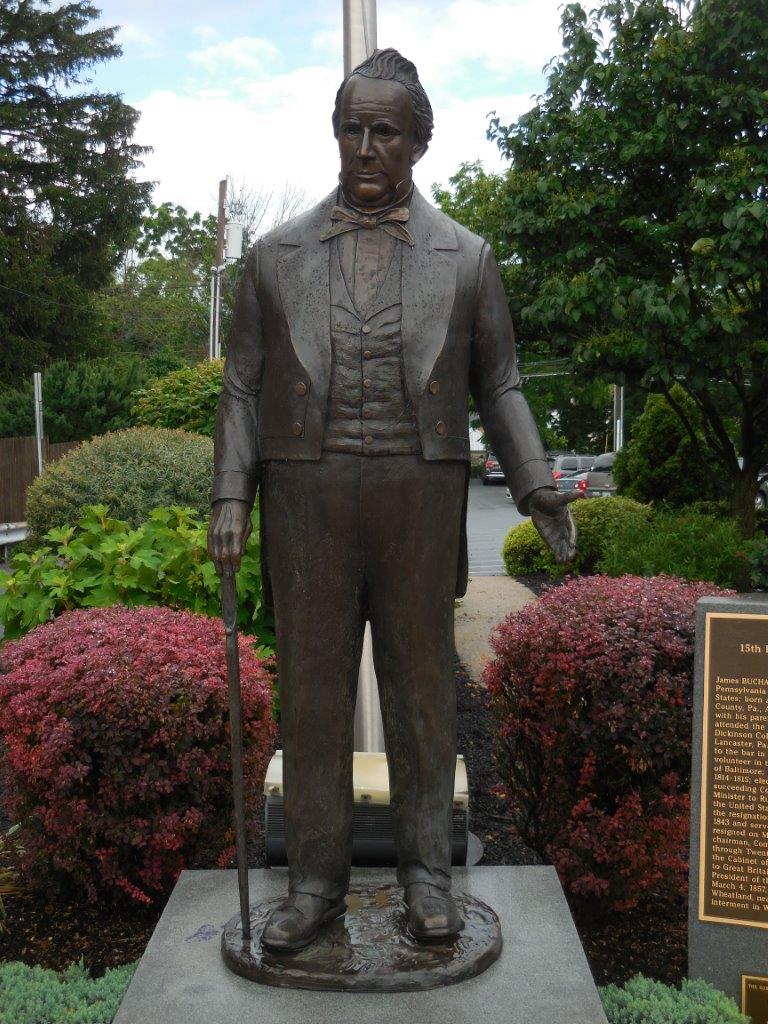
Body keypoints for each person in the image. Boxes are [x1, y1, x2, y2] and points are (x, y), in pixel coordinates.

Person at [208, 48, 578, 953]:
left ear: (417, 141)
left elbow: (503, 383)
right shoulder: (272, 256)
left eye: (384, 130)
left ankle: (426, 878)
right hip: (307, 500)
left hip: (419, 497)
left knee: (420, 696)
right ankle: (314, 887)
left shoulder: (467, 258)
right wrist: (230, 494)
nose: (364, 146)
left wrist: (535, 485)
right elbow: (243, 388)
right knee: (315, 700)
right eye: (350, 127)